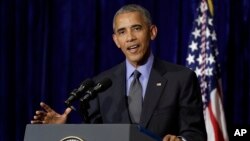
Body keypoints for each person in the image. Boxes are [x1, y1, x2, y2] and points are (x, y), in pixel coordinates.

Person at [31, 4, 207, 141]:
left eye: (136, 28)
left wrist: (180, 140)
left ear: (152, 32)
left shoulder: (181, 78)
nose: (130, 37)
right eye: (122, 32)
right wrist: (65, 129)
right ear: (116, 40)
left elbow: (196, 134)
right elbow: (94, 136)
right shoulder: (101, 84)